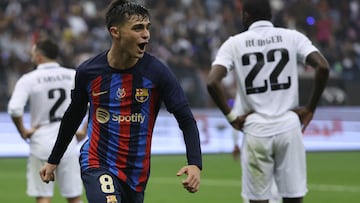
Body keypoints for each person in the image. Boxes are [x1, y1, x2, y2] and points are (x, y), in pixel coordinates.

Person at [39, 1, 202, 203]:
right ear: (115, 32)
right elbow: (73, 116)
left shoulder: (157, 72)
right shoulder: (88, 72)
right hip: (97, 162)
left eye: (147, 27)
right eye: (138, 28)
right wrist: (53, 160)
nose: (146, 34)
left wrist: (195, 163)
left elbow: (186, 119)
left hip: (136, 174)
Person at [207, 0, 329, 202]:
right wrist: (310, 108)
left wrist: (231, 118)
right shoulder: (292, 37)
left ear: (245, 15)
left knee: (257, 199)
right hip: (289, 126)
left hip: (256, 129)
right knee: (293, 197)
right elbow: (323, 67)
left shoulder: (233, 43)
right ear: (270, 14)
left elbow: (212, 82)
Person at [7, 39, 84, 203]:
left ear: (40, 56)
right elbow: (94, 104)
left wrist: (23, 131)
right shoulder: (73, 75)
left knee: (43, 196)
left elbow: (14, 109)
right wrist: (83, 130)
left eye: (33, 53)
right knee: (74, 196)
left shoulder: (29, 79)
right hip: (68, 140)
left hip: (41, 139)